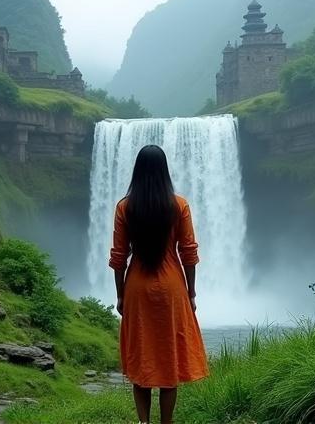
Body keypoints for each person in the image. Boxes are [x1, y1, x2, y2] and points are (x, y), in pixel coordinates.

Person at [109, 144, 209, 424]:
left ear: (137, 171)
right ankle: (167, 422)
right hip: (171, 289)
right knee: (168, 357)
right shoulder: (179, 205)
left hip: (137, 289)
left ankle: (144, 423)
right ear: (165, 171)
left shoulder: (125, 207)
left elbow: (119, 258)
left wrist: (120, 296)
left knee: (142, 358)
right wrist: (191, 293)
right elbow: (188, 252)